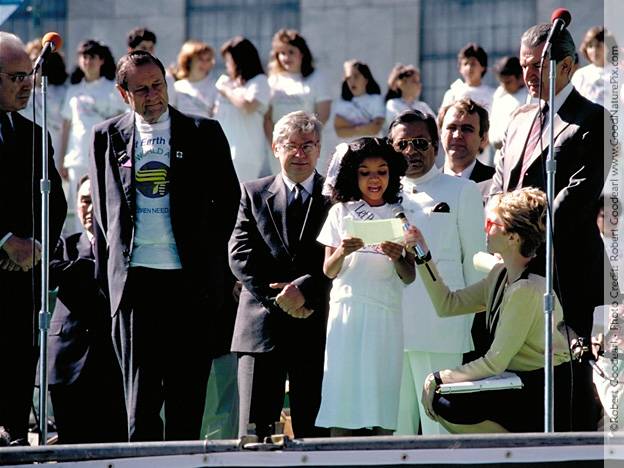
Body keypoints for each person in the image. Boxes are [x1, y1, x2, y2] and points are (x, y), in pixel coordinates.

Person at [89, 50, 240, 441]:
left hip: (190, 287)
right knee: (139, 409)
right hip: (136, 287)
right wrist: (108, 282)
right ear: (124, 94)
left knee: (186, 404)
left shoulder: (204, 132)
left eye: (158, 85)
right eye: (141, 90)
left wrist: (218, 278)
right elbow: (105, 219)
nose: (153, 95)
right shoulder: (105, 136)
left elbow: (229, 205)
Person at [490, 22, 609, 430]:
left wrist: (522, 240)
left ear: (568, 66)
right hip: (516, 270)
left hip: (566, 272)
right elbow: (500, 184)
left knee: (570, 384)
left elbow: (575, 198)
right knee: (522, 381)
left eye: (538, 66)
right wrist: (498, 231)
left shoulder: (594, 119)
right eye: (524, 65)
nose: (528, 75)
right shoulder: (518, 117)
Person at [411, 188, 572, 433]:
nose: (485, 228)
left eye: (491, 223)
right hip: (516, 382)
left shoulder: (527, 288)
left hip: (543, 390)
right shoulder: (500, 274)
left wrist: (437, 377)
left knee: (447, 403)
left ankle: (516, 453)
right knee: (445, 401)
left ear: (513, 238)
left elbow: (494, 363)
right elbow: (448, 304)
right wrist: (422, 254)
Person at [229, 110, 331, 440]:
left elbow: (343, 256)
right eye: (292, 145)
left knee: (314, 436)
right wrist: (280, 300)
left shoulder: (337, 199)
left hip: (316, 327)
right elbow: (240, 255)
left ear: (320, 149)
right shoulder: (252, 193)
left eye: (309, 145)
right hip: (261, 330)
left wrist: (304, 290)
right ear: (275, 148)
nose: (300, 153)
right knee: (255, 436)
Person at [387, 110, 485, 435]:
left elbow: (474, 262)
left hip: (441, 329)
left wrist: (467, 321)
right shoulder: (380, 195)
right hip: (391, 327)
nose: (411, 151)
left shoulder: (462, 191)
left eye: (420, 143)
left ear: (435, 147)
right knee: (394, 433)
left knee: (441, 430)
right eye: (403, 144)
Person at [315, 137, 413, 436]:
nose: (374, 179)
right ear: (353, 176)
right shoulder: (340, 212)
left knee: (383, 403)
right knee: (341, 403)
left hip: (385, 315)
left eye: (382, 172)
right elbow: (328, 271)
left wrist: (398, 257)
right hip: (347, 315)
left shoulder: (400, 213)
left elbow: (409, 275)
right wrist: (344, 251)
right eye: (365, 172)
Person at [0, 32, 67, 445]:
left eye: (30, 76)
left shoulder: (34, 135)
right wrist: (5, 239)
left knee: (19, 354)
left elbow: (54, 203)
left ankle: (14, 428)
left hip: (22, 274)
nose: (27, 84)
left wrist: (35, 246)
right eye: (17, 76)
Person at [48, 175, 127, 444]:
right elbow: (48, 272)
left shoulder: (123, 247)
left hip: (111, 365)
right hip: (68, 363)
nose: (91, 208)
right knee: (70, 446)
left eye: (96, 201)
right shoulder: (63, 245)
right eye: (84, 201)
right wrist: (85, 267)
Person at [60, 39, 125, 234]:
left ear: (101, 60)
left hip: (104, 154)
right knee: (82, 205)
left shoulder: (111, 88)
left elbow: (121, 122)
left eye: (92, 57)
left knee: (104, 202)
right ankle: (84, 249)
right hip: (77, 157)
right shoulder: (73, 90)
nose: (88, 61)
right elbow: (66, 125)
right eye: (84, 57)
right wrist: (61, 159)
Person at [214, 36, 271, 182]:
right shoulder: (228, 82)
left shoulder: (260, 82)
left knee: (241, 199)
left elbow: (247, 107)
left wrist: (226, 90)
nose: (227, 65)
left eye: (228, 60)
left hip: (246, 155)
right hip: (222, 151)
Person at [264, 29, 331, 141]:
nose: (286, 57)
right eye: (282, 53)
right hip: (280, 148)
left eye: (291, 52)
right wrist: (277, 144)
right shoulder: (272, 80)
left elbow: (322, 116)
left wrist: (303, 141)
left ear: (302, 53)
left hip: (307, 145)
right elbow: (267, 119)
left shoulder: (317, 78)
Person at [19, 38, 68, 174]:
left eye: (40, 59)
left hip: (56, 152)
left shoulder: (63, 91)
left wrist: (64, 159)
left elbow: (67, 126)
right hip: (28, 153)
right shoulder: (19, 91)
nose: (37, 63)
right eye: (33, 59)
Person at [439, 98, 495, 202]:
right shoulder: (428, 184)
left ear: (483, 138)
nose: (457, 135)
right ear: (440, 133)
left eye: (467, 129)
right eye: (451, 127)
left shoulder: (497, 184)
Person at [333, 60, 385, 142]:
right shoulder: (341, 103)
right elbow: (339, 131)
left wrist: (350, 128)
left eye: (356, 76)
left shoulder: (376, 99)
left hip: (372, 149)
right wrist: (366, 126)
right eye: (348, 78)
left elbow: (375, 128)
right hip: (349, 151)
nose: (352, 81)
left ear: (366, 79)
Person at [126, 27, 177, 107]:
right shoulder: (123, 79)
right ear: (131, 50)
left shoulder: (166, 78)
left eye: (151, 48)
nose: (148, 52)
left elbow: (170, 107)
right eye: (143, 48)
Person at [440, 43, 495, 113]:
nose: (469, 68)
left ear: (483, 67)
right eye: (465, 64)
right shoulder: (452, 93)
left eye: (473, 64)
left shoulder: (493, 94)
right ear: (460, 68)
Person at [489, 56, 528, 153]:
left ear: (520, 78)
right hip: (500, 156)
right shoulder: (499, 95)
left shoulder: (530, 97)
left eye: (508, 82)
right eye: (502, 82)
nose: (504, 86)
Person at [173, 40, 217, 118]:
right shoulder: (177, 87)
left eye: (208, 59)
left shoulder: (216, 87)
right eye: (200, 59)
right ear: (188, 60)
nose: (205, 63)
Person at [384, 64, 434, 131]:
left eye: (419, 81)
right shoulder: (393, 104)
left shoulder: (423, 106)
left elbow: (435, 125)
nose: (419, 85)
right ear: (401, 84)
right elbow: (398, 125)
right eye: (414, 81)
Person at [571, 26, 608, 105]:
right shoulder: (580, 74)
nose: (594, 50)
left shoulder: (619, 72)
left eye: (598, 45)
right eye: (590, 46)